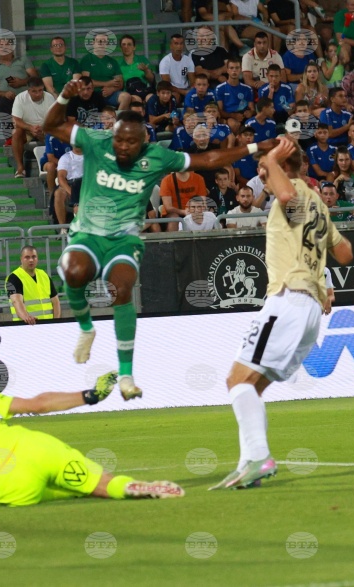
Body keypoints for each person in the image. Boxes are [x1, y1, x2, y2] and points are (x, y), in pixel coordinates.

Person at [43, 79, 277, 398]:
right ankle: (86, 328)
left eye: (131, 142)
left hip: (124, 238)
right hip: (87, 232)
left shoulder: (157, 156)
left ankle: (126, 375)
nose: (123, 146)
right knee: (73, 272)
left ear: (144, 140)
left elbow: (208, 160)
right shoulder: (95, 141)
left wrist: (254, 147)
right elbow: (50, 125)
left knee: (121, 288)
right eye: (119, 140)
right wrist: (62, 97)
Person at [210, 136, 353, 490]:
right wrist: (322, 275)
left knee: (236, 381)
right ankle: (248, 466)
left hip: (287, 300)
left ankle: (259, 457)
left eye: (265, 169)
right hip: (309, 308)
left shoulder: (292, 194)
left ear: (283, 166)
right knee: (252, 388)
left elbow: (286, 195)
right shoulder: (316, 203)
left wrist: (272, 158)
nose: (261, 175)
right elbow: (346, 253)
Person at [0, 370, 185, 505]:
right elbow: (38, 405)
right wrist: (90, 396)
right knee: (100, 483)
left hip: (7, 484)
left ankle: (90, 489)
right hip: (35, 449)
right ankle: (126, 486)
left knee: (75, 491)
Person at [11, 77, 55, 179]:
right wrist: (30, 128)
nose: (38, 94)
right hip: (27, 129)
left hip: (45, 128)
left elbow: (53, 119)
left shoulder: (50, 98)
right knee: (16, 132)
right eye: (34, 91)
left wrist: (43, 130)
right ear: (28, 90)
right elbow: (16, 120)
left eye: (40, 90)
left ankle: (53, 164)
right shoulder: (20, 98)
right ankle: (20, 168)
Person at [5, 245, 60, 324]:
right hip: (26, 326)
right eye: (27, 257)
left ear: (37, 258)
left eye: (34, 257)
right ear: (21, 259)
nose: (31, 260)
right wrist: (26, 317)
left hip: (48, 325)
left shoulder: (44, 275)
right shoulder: (13, 278)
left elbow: (55, 301)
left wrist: (56, 321)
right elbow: (16, 301)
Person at [0, 38, 37, 116]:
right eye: (1, 46)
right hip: (8, 100)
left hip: (26, 97)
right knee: (1, 103)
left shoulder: (23, 60)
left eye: (7, 45)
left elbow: (36, 78)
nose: (4, 47)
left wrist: (21, 82)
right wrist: (4, 94)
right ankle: (11, 124)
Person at [81, 31, 131, 110]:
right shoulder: (87, 59)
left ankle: (117, 117)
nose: (101, 43)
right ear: (93, 43)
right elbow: (85, 82)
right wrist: (107, 83)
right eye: (99, 41)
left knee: (126, 97)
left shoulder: (113, 61)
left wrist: (112, 89)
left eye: (104, 41)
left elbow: (120, 83)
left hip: (110, 93)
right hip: (92, 93)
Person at [216, 57, 255, 134]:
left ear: (240, 70)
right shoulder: (220, 88)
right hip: (228, 117)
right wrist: (233, 115)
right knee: (233, 124)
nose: (234, 70)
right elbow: (220, 111)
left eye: (237, 68)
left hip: (244, 117)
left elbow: (252, 109)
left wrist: (250, 112)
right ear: (227, 70)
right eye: (231, 68)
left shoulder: (247, 89)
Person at [159, 33, 195, 102]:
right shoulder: (165, 62)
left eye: (181, 44)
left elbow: (192, 82)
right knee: (175, 96)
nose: (179, 46)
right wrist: (183, 92)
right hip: (172, 90)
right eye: (176, 44)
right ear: (171, 46)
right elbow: (167, 85)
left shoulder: (188, 60)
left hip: (186, 89)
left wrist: (191, 90)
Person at [53, 146, 83, 230]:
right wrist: (73, 194)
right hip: (71, 185)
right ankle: (63, 228)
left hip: (87, 184)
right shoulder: (66, 158)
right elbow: (61, 178)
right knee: (59, 193)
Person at [118, 35, 154, 101]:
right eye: (123, 45)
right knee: (136, 99)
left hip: (144, 90)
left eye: (129, 44)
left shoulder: (142, 60)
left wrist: (146, 70)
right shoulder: (118, 64)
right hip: (128, 94)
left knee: (151, 98)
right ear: (120, 48)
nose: (126, 47)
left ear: (134, 47)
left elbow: (151, 80)